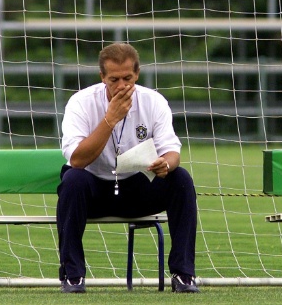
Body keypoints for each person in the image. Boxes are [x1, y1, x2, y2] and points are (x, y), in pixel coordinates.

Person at [56, 42, 199, 294]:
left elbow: (172, 150)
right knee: (72, 180)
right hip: (94, 188)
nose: (122, 86)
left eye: (127, 78)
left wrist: (165, 164)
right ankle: (72, 276)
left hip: (137, 185)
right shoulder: (80, 103)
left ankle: (183, 275)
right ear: (102, 77)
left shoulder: (153, 101)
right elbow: (77, 160)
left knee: (181, 179)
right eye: (114, 80)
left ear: (137, 74)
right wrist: (109, 119)